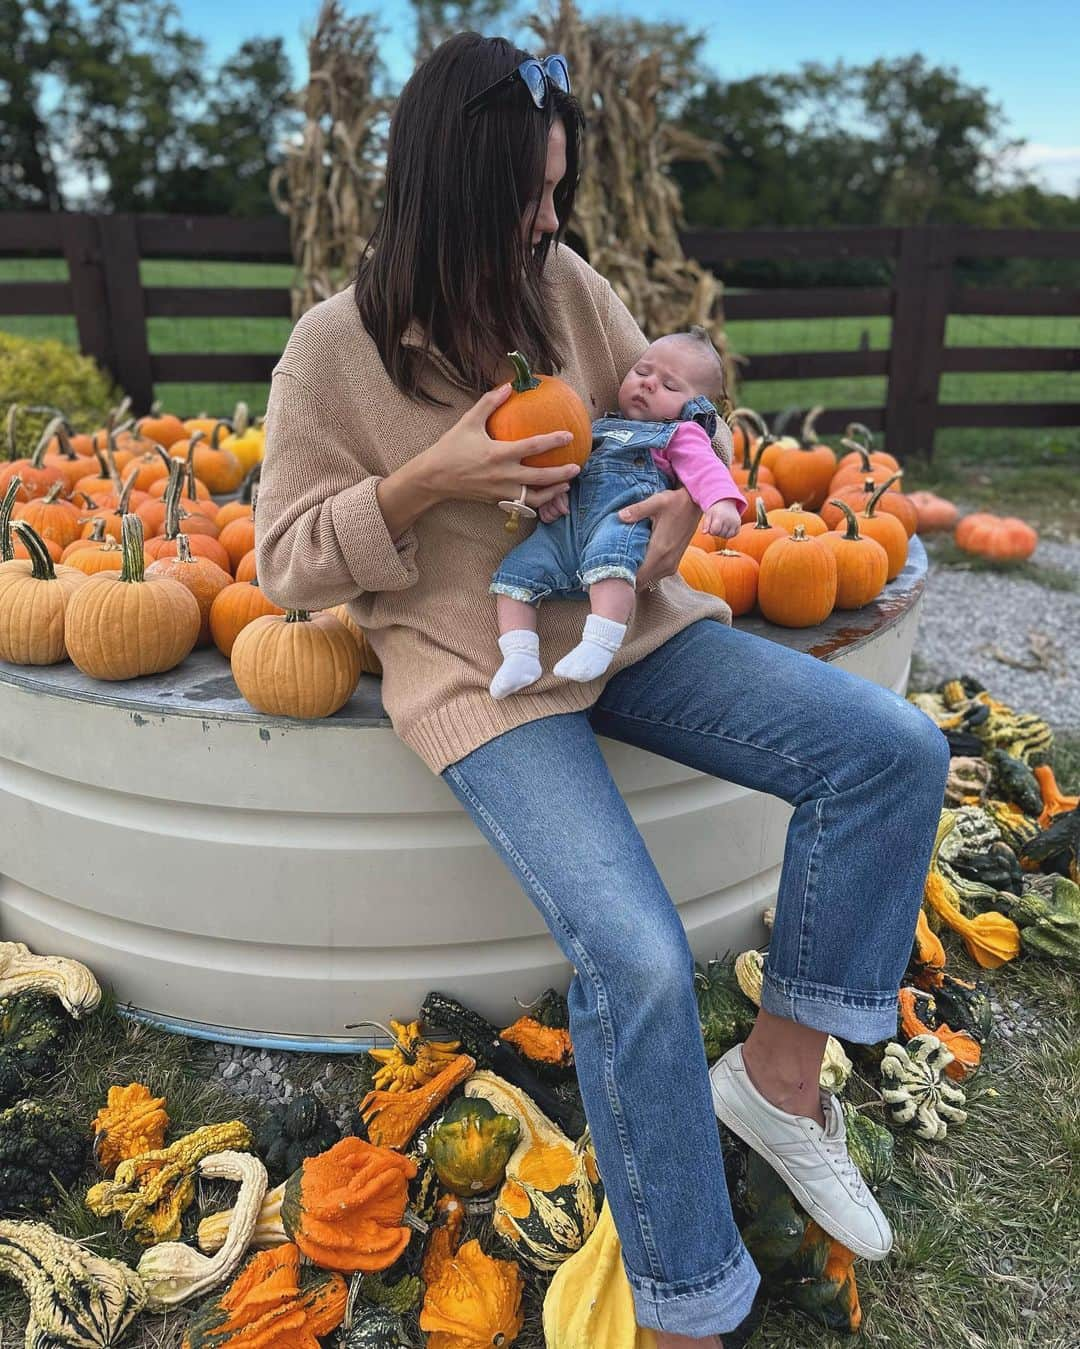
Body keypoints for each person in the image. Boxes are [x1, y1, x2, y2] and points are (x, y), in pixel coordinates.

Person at [254, 31, 951, 1346]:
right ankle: (691, 1307)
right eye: (526, 195)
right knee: (631, 951)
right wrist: (426, 483)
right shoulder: (332, 351)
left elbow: (669, 432)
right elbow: (284, 562)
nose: (550, 220)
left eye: (559, 194)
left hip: (632, 631)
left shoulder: (562, 285)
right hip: (487, 670)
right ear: (448, 187)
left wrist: (666, 509)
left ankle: (780, 1085)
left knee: (893, 749)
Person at [488, 329, 748, 698]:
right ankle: (519, 655)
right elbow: (567, 468)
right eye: (642, 373)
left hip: (621, 519)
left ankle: (600, 643)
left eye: (670, 387)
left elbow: (706, 468)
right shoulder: (595, 429)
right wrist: (554, 497)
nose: (650, 385)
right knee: (517, 573)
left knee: (612, 563)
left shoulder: (678, 434)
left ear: (693, 407)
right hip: (566, 528)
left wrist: (721, 503)